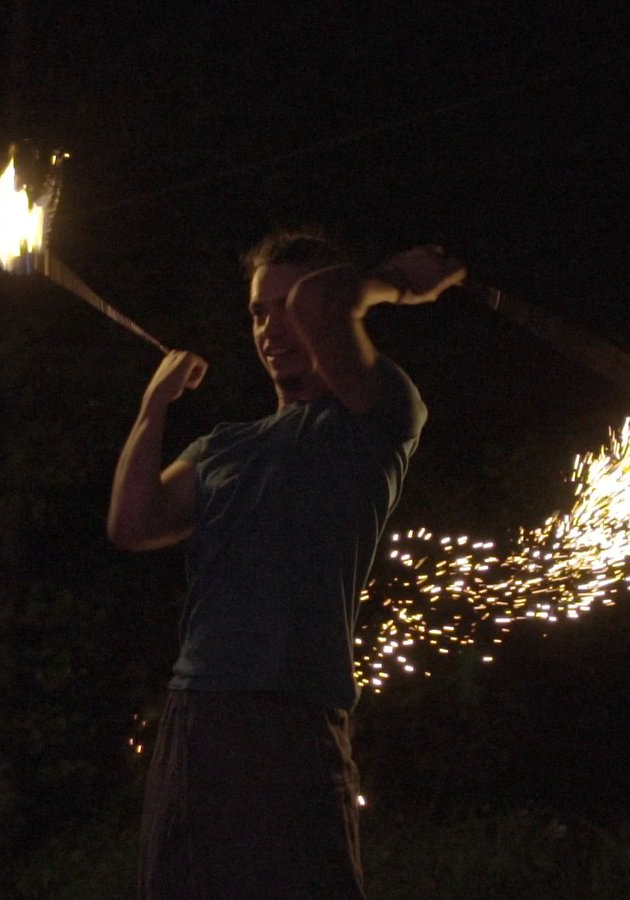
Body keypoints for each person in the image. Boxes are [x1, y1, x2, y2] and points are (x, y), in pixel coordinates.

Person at [109, 230, 465, 898]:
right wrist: (154, 403)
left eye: (286, 307)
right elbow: (132, 524)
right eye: (258, 312)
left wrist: (398, 281)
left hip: (293, 718)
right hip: (198, 715)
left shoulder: (375, 412)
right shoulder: (224, 446)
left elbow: (322, 301)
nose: (273, 326)